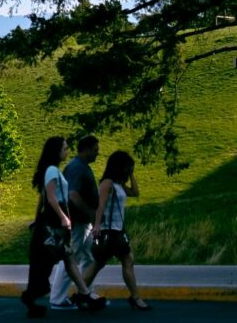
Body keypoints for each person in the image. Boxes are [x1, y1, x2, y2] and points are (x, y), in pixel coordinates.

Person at [21, 136, 106, 318]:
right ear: (56, 151)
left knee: (68, 258)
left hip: (53, 219)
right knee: (54, 260)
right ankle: (36, 296)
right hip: (55, 221)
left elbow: (42, 197)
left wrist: (37, 219)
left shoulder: (53, 170)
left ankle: (84, 294)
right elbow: (50, 197)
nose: (67, 151)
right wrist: (63, 218)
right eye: (65, 148)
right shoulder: (52, 170)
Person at [83, 151, 152, 311]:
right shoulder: (107, 183)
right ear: (119, 166)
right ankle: (135, 298)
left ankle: (135, 298)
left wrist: (132, 174)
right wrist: (97, 225)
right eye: (127, 166)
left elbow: (135, 192)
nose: (129, 169)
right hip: (109, 230)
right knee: (101, 263)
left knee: (123, 261)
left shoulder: (119, 184)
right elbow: (100, 205)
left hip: (118, 230)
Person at [48, 136, 101, 310]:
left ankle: (85, 292)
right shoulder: (77, 168)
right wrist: (90, 213)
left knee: (87, 257)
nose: (97, 153)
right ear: (85, 149)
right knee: (70, 258)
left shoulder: (80, 167)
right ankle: (57, 298)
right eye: (95, 149)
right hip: (78, 221)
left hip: (83, 222)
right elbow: (73, 195)